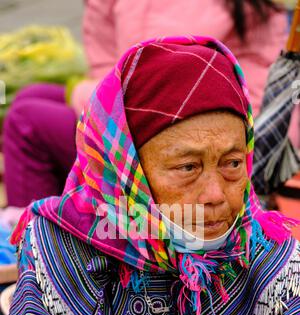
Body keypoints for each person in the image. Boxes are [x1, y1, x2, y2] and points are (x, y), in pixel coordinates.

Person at [0, 35, 299, 315]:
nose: (216, 193)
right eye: (188, 167)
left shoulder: (262, 246)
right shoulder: (61, 244)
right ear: (127, 169)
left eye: (232, 163)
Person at [1, 0, 286, 223]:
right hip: (134, 107)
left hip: (189, 125)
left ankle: (31, 240)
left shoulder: (250, 9)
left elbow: (253, 92)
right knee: (30, 96)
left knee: (27, 120)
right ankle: (57, 228)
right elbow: (106, 66)